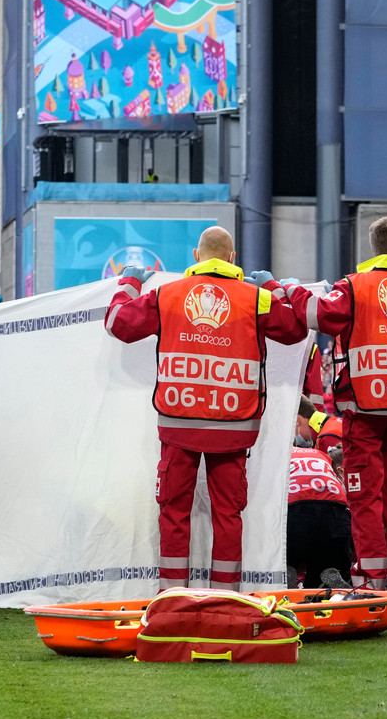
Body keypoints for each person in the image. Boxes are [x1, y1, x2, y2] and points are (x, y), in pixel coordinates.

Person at [104, 226, 307, 591]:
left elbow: (117, 323)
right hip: (234, 427)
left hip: (179, 424)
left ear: (196, 257)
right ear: (232, 259)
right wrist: (274, 286)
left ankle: (172, 596)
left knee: (174, 512)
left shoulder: (167, 294)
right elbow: (295, 329)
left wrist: (129, 284)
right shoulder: (256, 299)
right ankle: (227, 597)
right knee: (228, 515)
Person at [282, 215, 387, 593]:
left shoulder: (354, 286)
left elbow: (319, 315)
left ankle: (369, 584)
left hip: (363, 410)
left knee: (365, 502)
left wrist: (287, 289)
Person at [287, 398, 352, 589]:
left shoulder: (285, 456)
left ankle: (288, 569)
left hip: (297, 518)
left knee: (289, 559)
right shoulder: (322, 453)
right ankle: (331, 572)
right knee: (323, 569)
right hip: (337, 516)